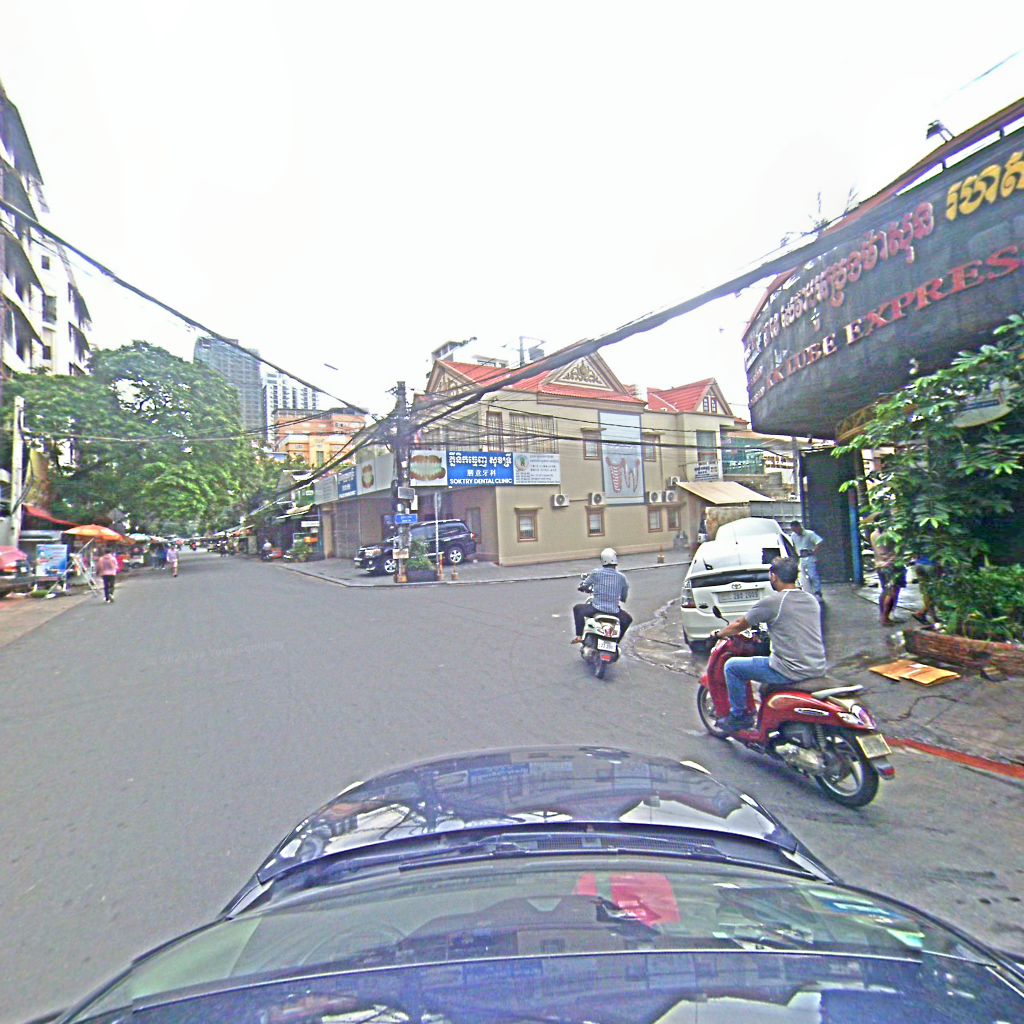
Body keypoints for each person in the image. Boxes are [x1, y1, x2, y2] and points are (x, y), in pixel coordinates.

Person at [710, 555, 827, 733]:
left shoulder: (773, 602)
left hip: (789, 670)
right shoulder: (811, 600)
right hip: (817, 667)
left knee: (732, 667)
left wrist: (718, 634)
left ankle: (739, 716)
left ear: (774, 577)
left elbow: (739, 625)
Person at [572, 547, 632, 644]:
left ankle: (579, 636)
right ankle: (616, 642)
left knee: (577, 608)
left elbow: (584, 585)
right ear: (615, 561)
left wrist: (582, 587)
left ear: (603, 560)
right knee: (628, 619)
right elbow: (624, 596)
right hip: (614, 611)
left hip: (596, 608)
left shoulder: (596, 573)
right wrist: (622, 598)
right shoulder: (622, 578)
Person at [870, 527, 905, 625]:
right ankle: (885, 617)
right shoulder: (890, 535)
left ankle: (885, 615)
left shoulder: (873, 534)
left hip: (880, 564)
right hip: (890, 565)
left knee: (886, 590)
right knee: (891, 592)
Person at [789, 520, 824, 600]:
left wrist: (814, 552)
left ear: (799, 527)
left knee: (812, 575)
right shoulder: (793, 536)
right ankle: (807, 592)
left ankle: (817, 592)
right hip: (800, 558)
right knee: (802, 577)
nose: (795, 532)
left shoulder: (810, 534)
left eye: (796, 529)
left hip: (810, 557)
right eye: (793, 530)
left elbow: (819, 542)